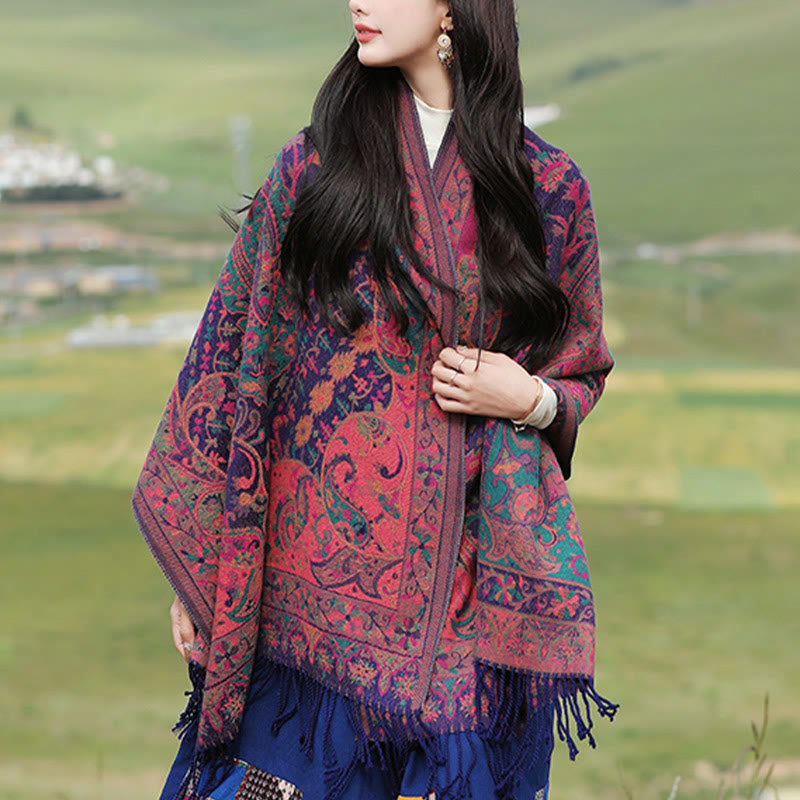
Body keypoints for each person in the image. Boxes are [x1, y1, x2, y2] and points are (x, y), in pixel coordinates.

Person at [132, 1, 618, 798]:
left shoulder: (548, 187)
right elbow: (232, 355)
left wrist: (525, 397)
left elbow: (581, 366)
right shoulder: (314, 169)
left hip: (475, 593)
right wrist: (204, 563)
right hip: (307, 613)